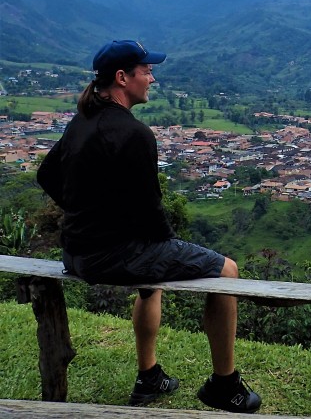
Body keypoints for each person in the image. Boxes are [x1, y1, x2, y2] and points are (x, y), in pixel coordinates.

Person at [36, 40, 261, 413]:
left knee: (150, 282)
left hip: (75, 253)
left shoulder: (83, 120)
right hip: (109, 255)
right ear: (123, 78)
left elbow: (47, 174)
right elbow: (151, 211)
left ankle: (150, 375)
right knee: (227, 271)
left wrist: (84, 212)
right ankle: (225, 385)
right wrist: (165, 244)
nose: (152, 79)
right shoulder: (134, 133)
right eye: (146, 72)